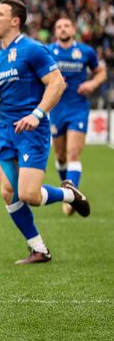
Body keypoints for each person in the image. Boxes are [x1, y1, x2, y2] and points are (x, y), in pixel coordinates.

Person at [0, 0, 90, 265]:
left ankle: (69, 194)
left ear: (15, 21)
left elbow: (57, 83)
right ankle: (39, 249)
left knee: (29, 195)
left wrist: (37, 114)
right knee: (8, 191)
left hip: (33, 131)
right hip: (7, 132)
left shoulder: (32, 49)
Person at [48, 17, 107, 215]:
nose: (63, 29)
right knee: (60, 155)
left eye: (66, 25)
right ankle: (67, 190)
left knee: (73, 152)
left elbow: (101, 73)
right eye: (59, 26)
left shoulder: (85, 51)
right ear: (55, 32)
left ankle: (72, 198)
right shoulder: (47, 52)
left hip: (78, 108)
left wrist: (92, 83)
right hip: (56, 108)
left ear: (73, 29)